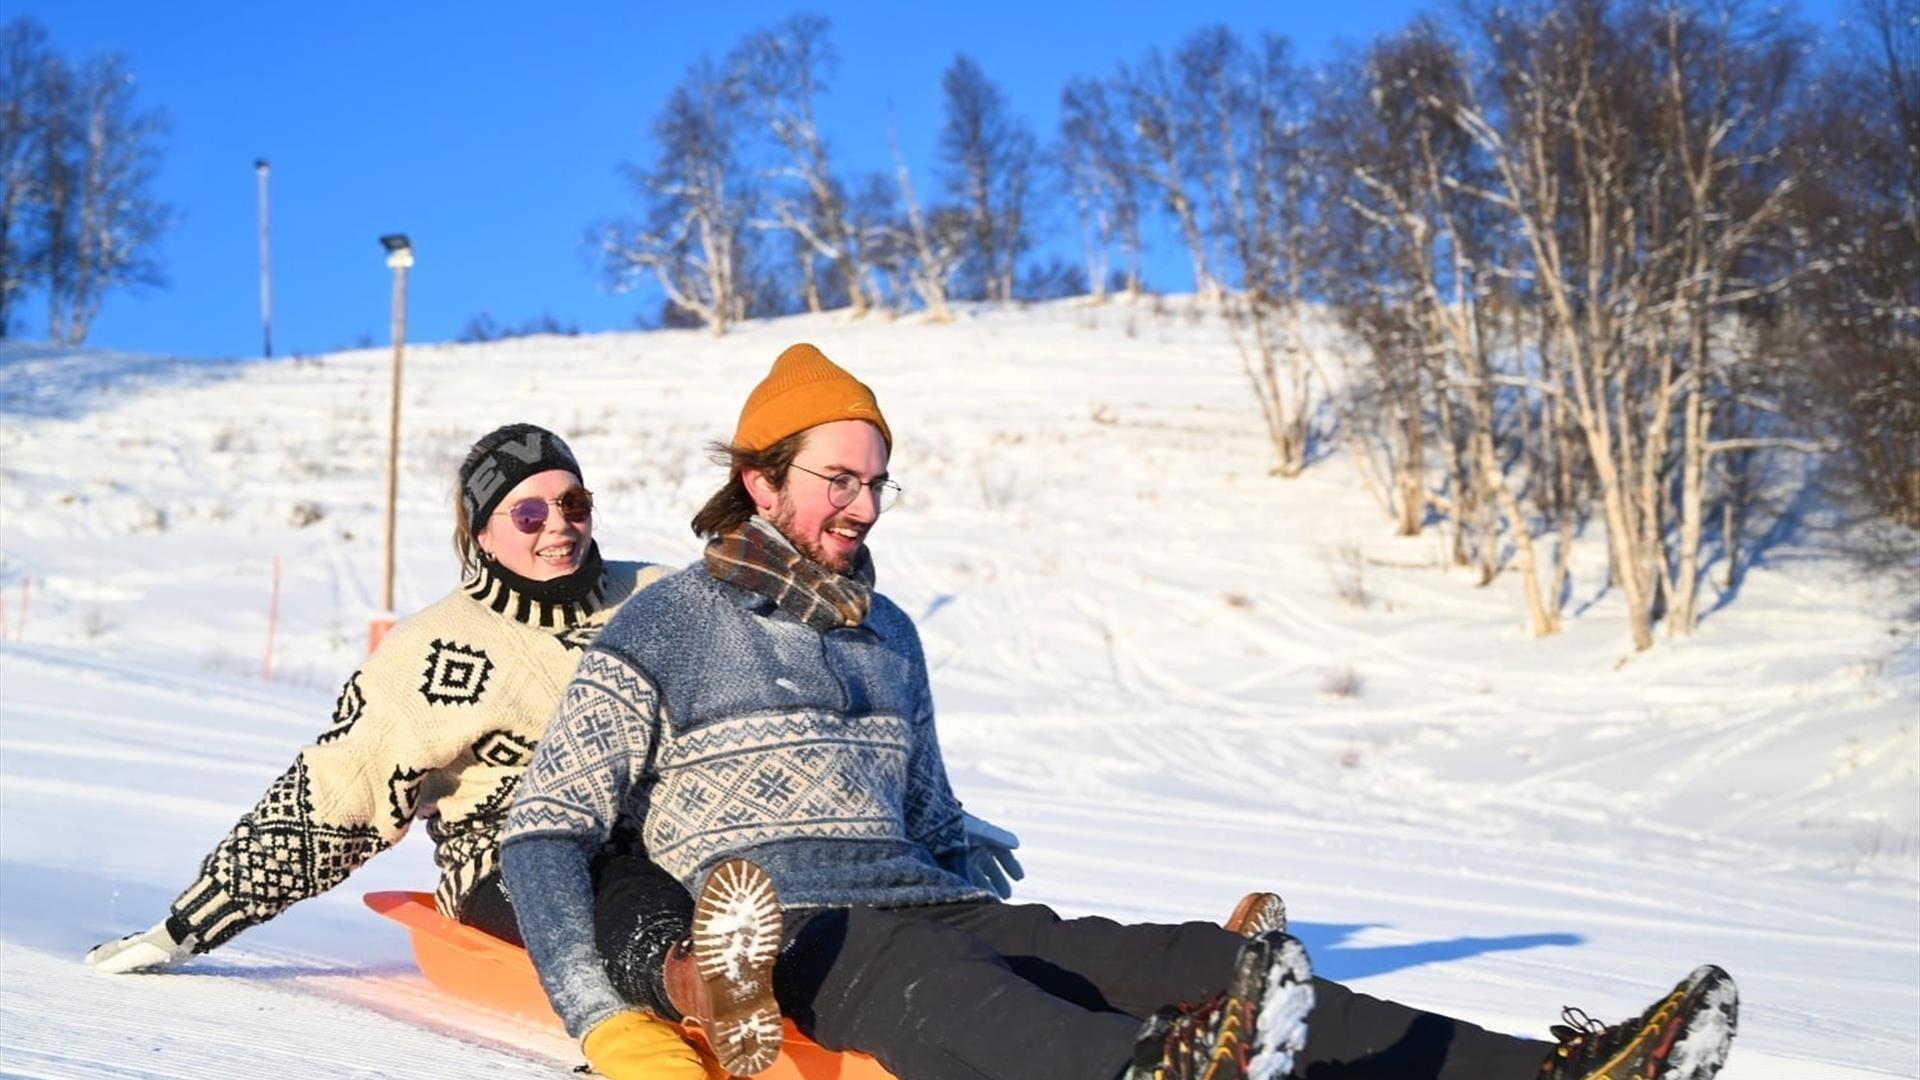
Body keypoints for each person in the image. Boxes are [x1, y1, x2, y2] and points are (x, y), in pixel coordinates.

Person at [500, 345, 1740, 1080]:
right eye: (838, 479)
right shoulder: (665, 624)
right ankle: (1156, 1072)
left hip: (937, 908)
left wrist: (966, 865)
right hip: (796, 940)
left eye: (878, 482)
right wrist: (606, 1011)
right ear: (760, 478)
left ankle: (1558, 1071)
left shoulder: (891, 637)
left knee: (1210, 960)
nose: (866, 507)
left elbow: (928, 816)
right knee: (959, 990)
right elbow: (547, 828)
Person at [81, 423, 729, 1080]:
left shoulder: (662, 596)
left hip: (676, 834)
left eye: (573, 504)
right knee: (603, 886)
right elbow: (336, 797)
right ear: (482, 534)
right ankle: (682, 994)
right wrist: (187, 927)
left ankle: (778, 978)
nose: (558, 527)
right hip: (513, 862)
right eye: (528, 513)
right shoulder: (433, 653)